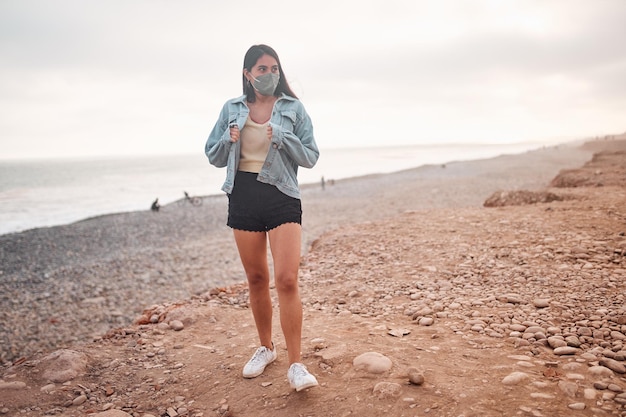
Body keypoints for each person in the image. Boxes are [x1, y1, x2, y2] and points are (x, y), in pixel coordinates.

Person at [205, 44, 320, 391]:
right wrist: (228, 138)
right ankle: (266, 348)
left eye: (274, 68)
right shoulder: (232, 109)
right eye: (262, 69)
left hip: (282, 194)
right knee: (256, 278)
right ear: (247, 74)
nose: (269, 74)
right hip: (243, 195)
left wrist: (283, 138)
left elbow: (311, 156)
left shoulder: (293, 108)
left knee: (287, 280)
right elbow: (212, 153)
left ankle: (296, 364)